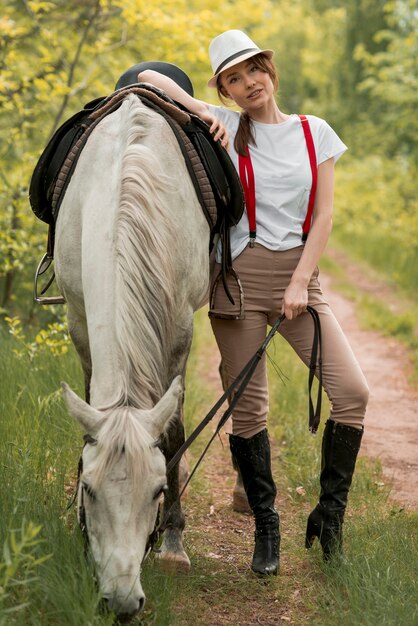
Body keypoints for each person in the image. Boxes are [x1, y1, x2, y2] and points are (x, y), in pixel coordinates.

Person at [137, 29, 369, 577]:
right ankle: (267, 529)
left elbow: (324, 217)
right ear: (225, 90)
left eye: (252, 71)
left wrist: (300, 281)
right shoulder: (229, 127)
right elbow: (150, 78)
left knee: (353, 392)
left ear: (270, 68)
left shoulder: (316, 133)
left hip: (298, 282)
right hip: (237, 285)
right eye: (233, 80)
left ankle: (329, 518)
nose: (248, 85)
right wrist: (206, 112)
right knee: (249, 409)